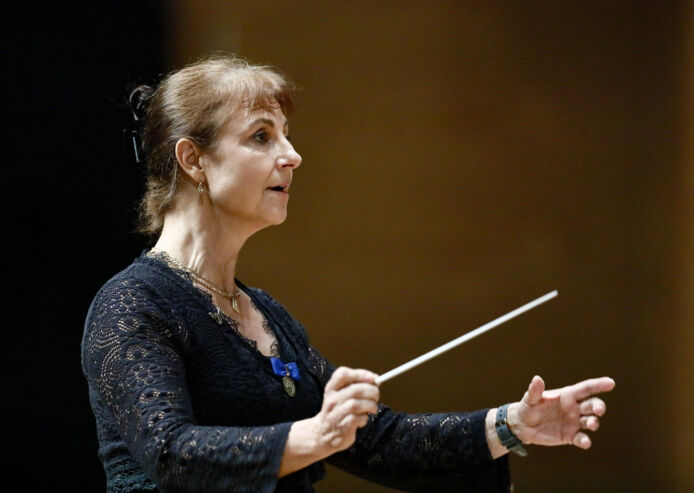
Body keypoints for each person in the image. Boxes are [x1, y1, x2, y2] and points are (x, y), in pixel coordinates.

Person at [81, 55, 615, 493]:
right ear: (193, 160)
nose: (292, 156)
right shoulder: (132, 303)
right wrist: (316, 435)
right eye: (262, 137)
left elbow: (374, 439)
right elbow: (172, 455)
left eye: (286, 135)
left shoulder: (267, 315)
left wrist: (512, 425)